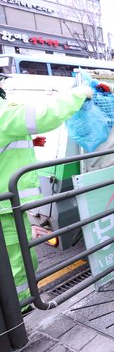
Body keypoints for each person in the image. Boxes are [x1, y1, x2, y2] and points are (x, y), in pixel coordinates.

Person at [0, 73, 94, 305]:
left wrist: (30, 142)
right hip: (4, 207)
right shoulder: (3, 111)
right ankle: (17, 315)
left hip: (6, 204)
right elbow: (44, 115)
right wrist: (79, 93)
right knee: (17, 263)